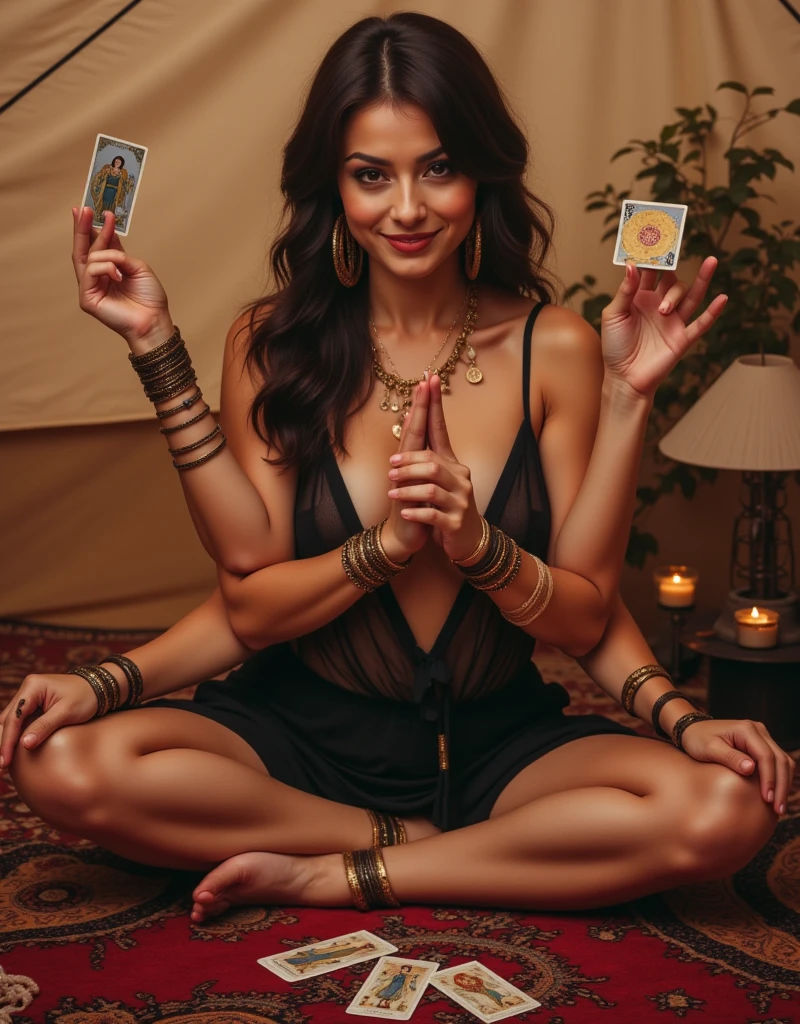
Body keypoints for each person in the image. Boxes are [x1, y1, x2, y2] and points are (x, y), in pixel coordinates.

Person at [1, 13, 792, 923]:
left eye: (438, 167)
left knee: (726, 809)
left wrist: (509, 520)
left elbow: (584, 610)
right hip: (295, 734)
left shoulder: (560, 347)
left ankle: (335, 871)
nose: (407, 208)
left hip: (500, 740)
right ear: (333, 185)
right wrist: (155, 349)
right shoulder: (271, 341)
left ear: (481, 172)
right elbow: (251, 594)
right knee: (54, 761)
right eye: (371, 174)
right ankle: (403, 840)